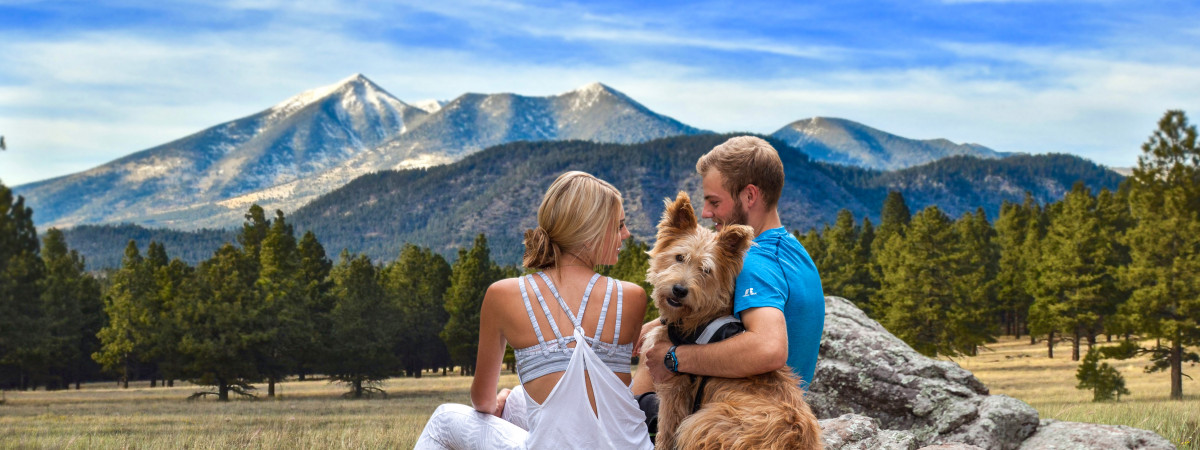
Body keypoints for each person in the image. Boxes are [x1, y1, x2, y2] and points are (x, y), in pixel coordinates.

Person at [416, 171, 653, 450]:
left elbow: (481, 401)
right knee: (517, 399)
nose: (626, 234)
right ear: (590, 232)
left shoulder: (502, 295)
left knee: (444, 419)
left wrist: (495, 403)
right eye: (619, 226)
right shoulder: (633, 296)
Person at [631, 135, 825, 420]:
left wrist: (673, 358)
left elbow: (769, 348)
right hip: (767, 413)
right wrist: (655, 323)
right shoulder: (792, 251)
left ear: (749, 196)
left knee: (629, 403)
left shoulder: (753, 263)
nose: (707, 213)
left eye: (714, 202)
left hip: (737, 417)